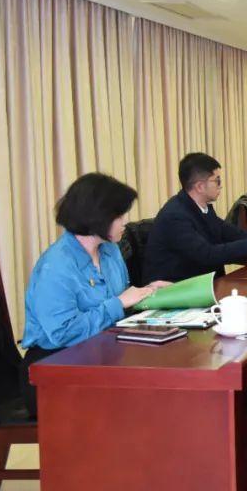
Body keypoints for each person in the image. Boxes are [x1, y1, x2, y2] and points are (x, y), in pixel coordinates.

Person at [20, 173, 169, 415]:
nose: (124, 222)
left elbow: (121, 299)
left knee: (160, 381)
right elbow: (63, 333)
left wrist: (148, 291)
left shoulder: (110, 250)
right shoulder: (56, 266)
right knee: (139, 402)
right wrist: (118, 303)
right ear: (98, 218)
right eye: (119, 216)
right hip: (54, 365)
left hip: (102, 351)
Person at [143, 153, 247, 284]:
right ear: (200, 186)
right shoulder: (175, 216)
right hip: (177, 289)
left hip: (204, 284)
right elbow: (206, 254)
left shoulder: (202, 207)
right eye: (216, 181)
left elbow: (231, 233)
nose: (221, 185)